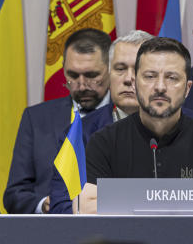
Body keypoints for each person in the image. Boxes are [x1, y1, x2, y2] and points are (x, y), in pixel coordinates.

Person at [78, 37, 193, 213]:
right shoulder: (104, 143)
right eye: (150, 76)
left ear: (187, 88)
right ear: (135, 84)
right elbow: (86, 208)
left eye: (171, 78)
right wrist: (180, 200)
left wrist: (128, 200)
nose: (160, 87)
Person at [3, 27, 112, 214]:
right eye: (73, 75)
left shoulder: (127, 116)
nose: (82, 85)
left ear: (111, 68)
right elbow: (14, 195)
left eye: (92, 75)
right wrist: (44, 204)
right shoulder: (36, 118)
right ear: (63, 69)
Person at [48, 30, 154, 214]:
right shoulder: (79, 135)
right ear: (108, 74)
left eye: (139, 69)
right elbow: (61, 207)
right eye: (120, 69)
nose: (129, 79)